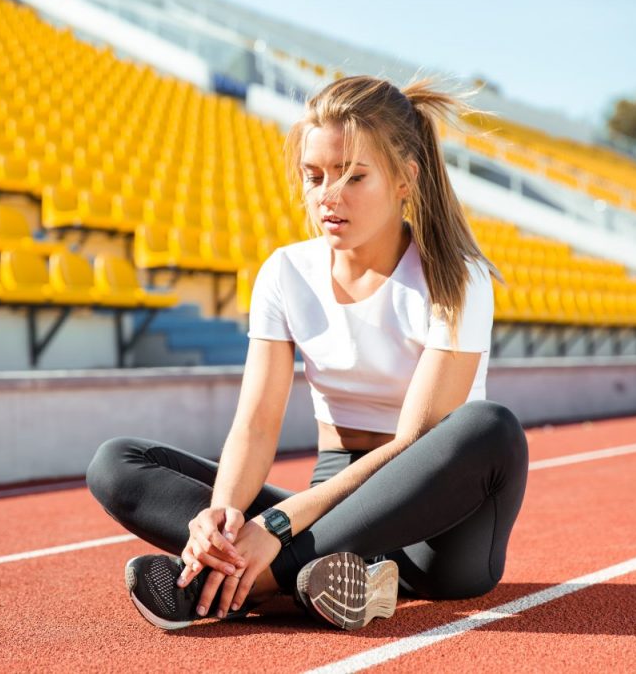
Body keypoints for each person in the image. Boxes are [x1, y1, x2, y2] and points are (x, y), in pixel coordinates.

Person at [87, 75, 529, 631]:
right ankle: (317, 576)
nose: (328, 195)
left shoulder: (453, 278)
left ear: (404, 180)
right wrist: (220, 518)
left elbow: (416, 442)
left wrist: (277, 524)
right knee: (118, 462)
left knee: (489, 426)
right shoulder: (286, 272)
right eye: (313, 176)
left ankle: (228, 584)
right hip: (332, 498)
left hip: (438, 526)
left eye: (353, 176)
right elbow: (255, 424)